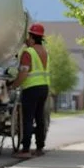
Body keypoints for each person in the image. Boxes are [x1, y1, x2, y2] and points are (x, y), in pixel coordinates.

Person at [11, 22, 50, 158]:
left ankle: (25, 149)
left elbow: (23, 73)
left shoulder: (28, 53)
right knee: (39, 118)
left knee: (27, 119)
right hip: (44, 87)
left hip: (31, 88)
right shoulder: (45, 51)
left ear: (32, 37)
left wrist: (14, 85)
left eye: (28, 37)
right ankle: (39, 147)